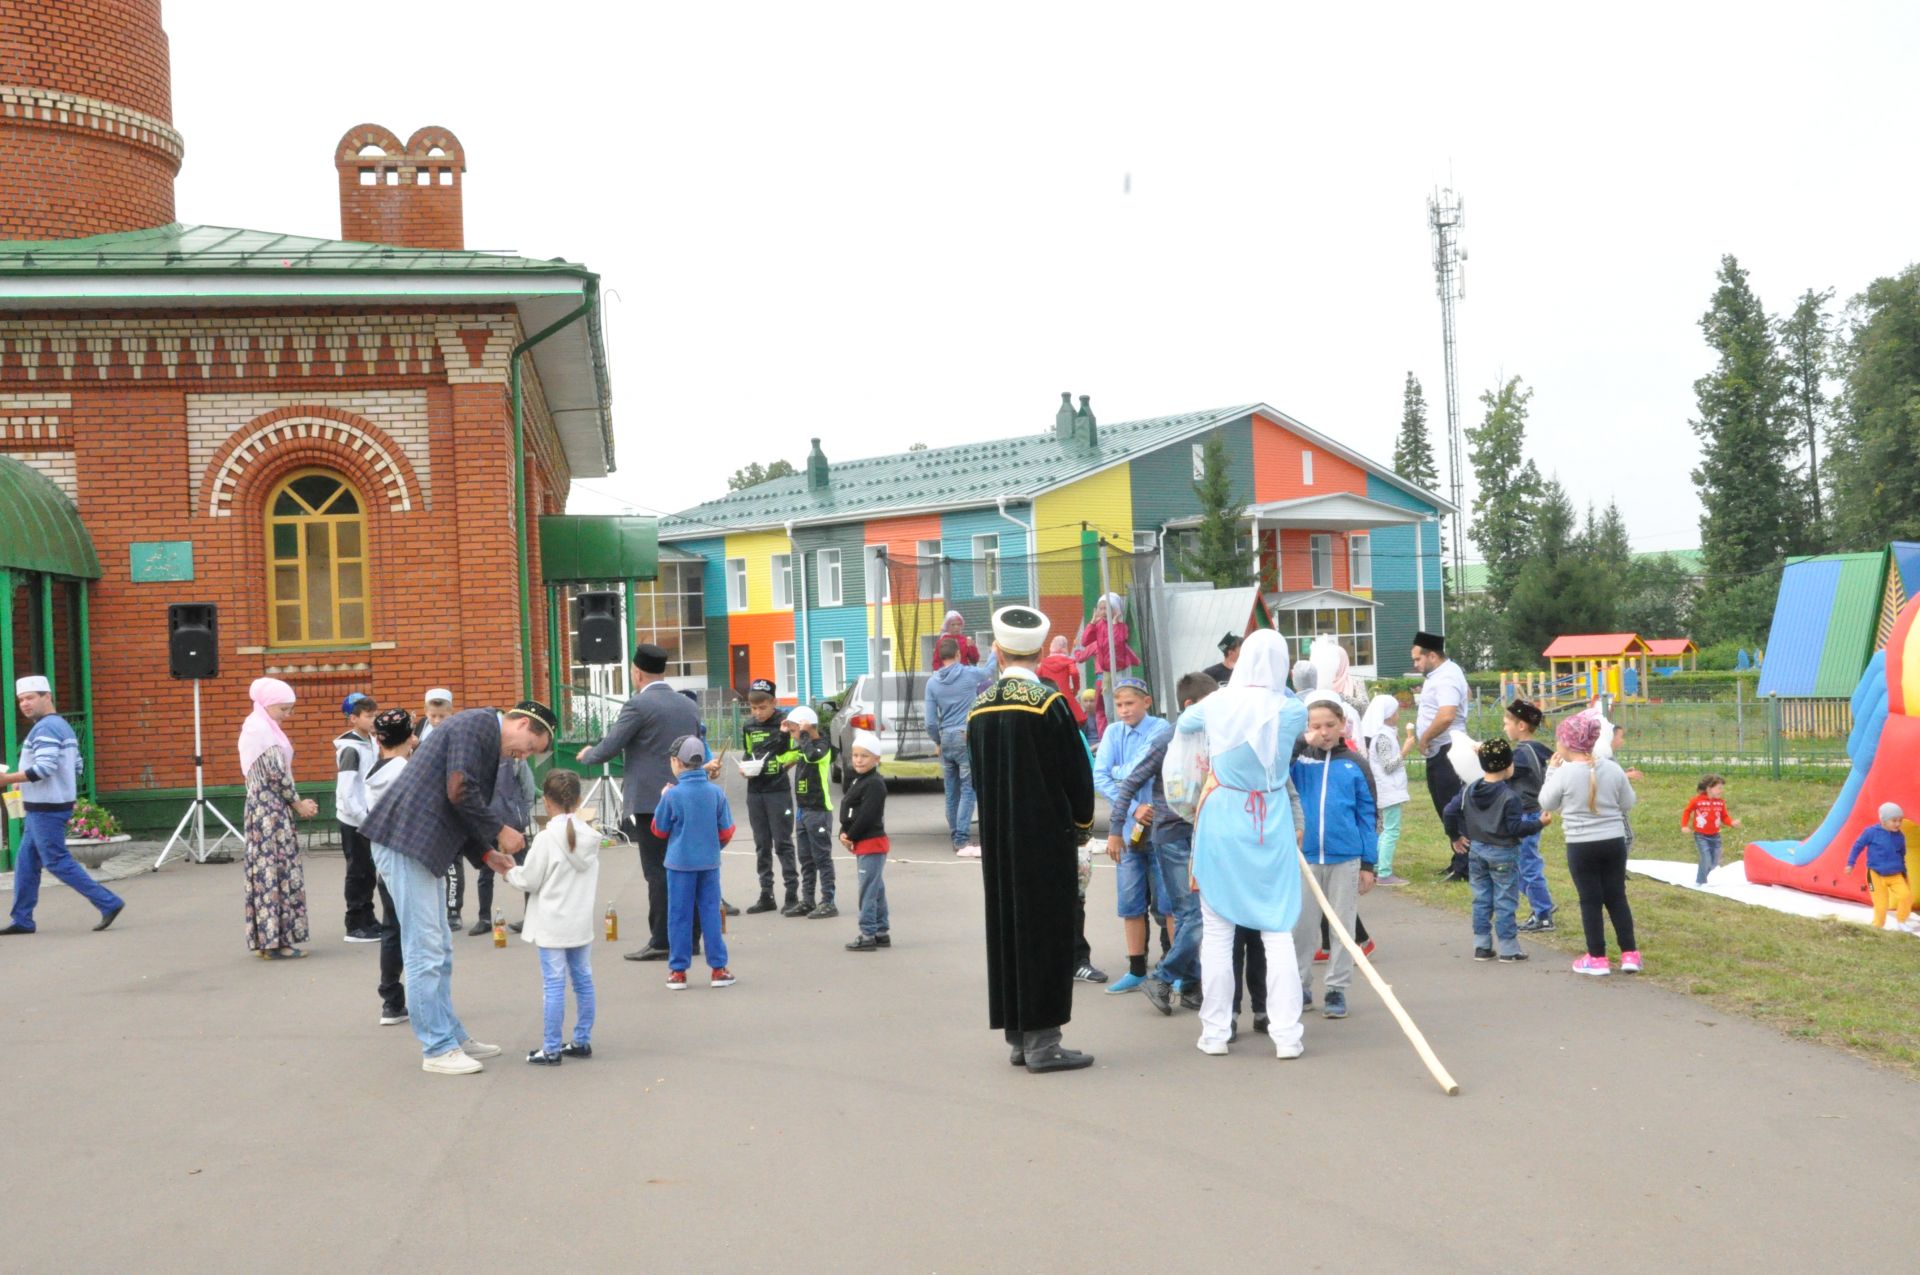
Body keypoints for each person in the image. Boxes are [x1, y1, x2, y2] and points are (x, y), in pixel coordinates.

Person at [359, 701, 556, 1074]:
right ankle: (436, 1048)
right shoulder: (479, 726)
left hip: (419, 845)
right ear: (517, 721)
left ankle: (450, 1034)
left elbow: (458, 804)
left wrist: (486, 855)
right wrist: (498, 831)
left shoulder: (482, 736)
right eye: (530, 745)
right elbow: (460, 791)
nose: (524, 756)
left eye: (532, 754)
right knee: (424, 949)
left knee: (440, 948)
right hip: (404, 842)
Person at [969, 604, 1099, 1072]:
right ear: (1042, 651)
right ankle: (1045, 1041)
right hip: (1044, 840)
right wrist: (1081, 829)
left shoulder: (979, 708)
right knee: (1045, 933)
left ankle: (1019, 1037)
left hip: (999, 843)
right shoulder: (1050, 703)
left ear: (997, 652)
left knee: (1007, 930)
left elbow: (978, 781)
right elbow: (1077, 776)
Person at [1177, 629, 1310, 1058]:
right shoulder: (1291, 709)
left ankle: (1215, 1033)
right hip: (1269, 819)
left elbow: (1183, 723)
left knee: (1217, 932)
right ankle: (1287, 1035)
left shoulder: (1217, 703)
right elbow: (1286, 703)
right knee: (1277, 929)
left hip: (1221, 815)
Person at [576, 643, 703, 961]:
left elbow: (611, 746)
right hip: (686, 795)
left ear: (637, 672)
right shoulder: (687, 706)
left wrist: (588, 754)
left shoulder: (638, 706)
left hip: (650, 802)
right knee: (686, 866)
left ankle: (661, 940)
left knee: (657, 871)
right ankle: (692, 937)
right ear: (663, 671)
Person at [1119, 671, 1219, 1016]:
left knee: (1192, 913)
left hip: (1202, 833)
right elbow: (1130, 782)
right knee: (1194, 916)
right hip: (1172, 835)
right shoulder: (1168, 739)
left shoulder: (1213, 735)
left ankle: (1191, 987)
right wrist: (1119, 827)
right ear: (1190, 706)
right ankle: (1161, 977)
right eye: (1210, 704)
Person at [0, 675, 125, 936]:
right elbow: (76, 766)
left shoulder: (45, 728)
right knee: (26, 862)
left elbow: (44, 768)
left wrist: (8, 778)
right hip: (47, 805)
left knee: (56, 861)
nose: (24, 704)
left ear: (47, 697)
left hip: (46, 808)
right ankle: (22, 919)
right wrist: (24, 781)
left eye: (30, 697)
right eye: (21, 699)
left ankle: (108, 902)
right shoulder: (62, 726)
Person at [1290, 698, 1378, 1021]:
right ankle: (1299, 985)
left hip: (1345, 857)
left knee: (1342, 926)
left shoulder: (1355, 764)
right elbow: (1276, 771)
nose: (1324, 733)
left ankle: (1336, 989)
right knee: (1301, 926)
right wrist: (1301, 742)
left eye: (1330, 725)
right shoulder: (1299, 762)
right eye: (1315, 726)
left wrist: (1369, 863)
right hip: (1305, 858)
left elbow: (1368, 815)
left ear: (1342, 724)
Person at [1539, 712, 1640, 976]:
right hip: (1613, 841)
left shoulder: (1564, 773)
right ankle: (1630, 954)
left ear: (1566, 743)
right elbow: (1628, 802)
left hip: (1581, 844)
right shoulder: (1612, 768)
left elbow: (1546, 802)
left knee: (1590, 900)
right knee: (1617, 896)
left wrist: (1551, 770)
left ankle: (1597, 957)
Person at [510, 769, 599, 1062]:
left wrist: (509, 871)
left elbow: (530, 880)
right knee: (583, 980)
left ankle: (550, 1048)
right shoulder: (591, 836)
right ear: (577, 800)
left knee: (554, 984)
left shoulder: (547, 838)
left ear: (547, 802)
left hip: (552, 922)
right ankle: (581, 1040)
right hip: (580, 920)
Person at [1093, 675, 1171, 994]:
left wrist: (1118, 771)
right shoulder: (1113, 732)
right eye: (1119, 705)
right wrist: (1133, 806)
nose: (1124, 711)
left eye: (1130, 704)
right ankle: (1136, 968)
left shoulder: (1161, 730)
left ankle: (1175, 967)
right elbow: (1099, 776)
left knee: (1169, 903)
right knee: (1130, 902)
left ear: (1147, 702)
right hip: (1127, 830)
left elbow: (1141, 767)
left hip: (1161, 829)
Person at [1443, 737, 1551, 962]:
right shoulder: (1510, 797)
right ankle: (1509, 947)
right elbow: (1515, 828)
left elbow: (1449, 811)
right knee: (1504, 899)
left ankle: (1481, 945)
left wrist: (1455, 836)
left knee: (1481, 898)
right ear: (1509, 765)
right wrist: (1539, 823)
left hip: (1477, 850)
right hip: (1503, 852)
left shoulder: (1470, 789)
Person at [238, 677, 318, 959]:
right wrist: (298, 804)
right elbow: (277, 774)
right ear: (269, 705)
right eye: (284, 709)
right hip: (271, 812)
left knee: (265, 873)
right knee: (277, 872)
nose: (288, 715)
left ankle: (266, 939)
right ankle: (278, 941)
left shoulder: (256, 726)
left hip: (262, 809)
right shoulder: (262, 731)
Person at [653, 735, 736, 989]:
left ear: (677, 762)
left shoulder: (672, 795)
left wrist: (662, 798)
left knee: (679, 915)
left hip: (679, 864)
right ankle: (718, 969)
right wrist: (713, 848)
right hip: (709, 863)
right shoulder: (715, 793)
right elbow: (727, 831)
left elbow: (659, 829)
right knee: (710, 913)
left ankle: (678, 971)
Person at [364, 707, 417, 1026]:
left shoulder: (377, 770)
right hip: (405, 860)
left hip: (383, 858)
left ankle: (391, 999)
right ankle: (414, 999)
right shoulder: (403, 771)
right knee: (415, 930)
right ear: (410, 737)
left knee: (392, 929)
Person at [733, 678, 799, 913]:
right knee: (762, 844)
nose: (758, 712)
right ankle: (766, 894)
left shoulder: (785, 723)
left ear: (773, 702)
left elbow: (795, 753)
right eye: (753, 708)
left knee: (782, 842)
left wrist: (779, 766)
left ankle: (792, 893)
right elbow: (749, 752)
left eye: (762, 707)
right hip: (755, 791)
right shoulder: (749, 726)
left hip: (778, 790)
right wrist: (745, 767)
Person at [1410, 631, 1471, 882]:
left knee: (1453, 808)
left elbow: (1446, 715)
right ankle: (1458, 860)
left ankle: (1466, 865)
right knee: (1445, 806)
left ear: (1432, 655)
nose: (1415, 665)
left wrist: (1424, 738)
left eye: (1417, 659)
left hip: (1448, 750)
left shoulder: (1445, 677)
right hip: (1442, 750)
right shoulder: (1443, 673)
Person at [466, 725, 534, 937]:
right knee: (486, 872)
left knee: (525, 869)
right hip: (489, 824)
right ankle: (484, 918)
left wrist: (520, 813)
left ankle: (531, 916)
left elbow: (529, 789)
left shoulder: (516, 761)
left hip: (513, 825)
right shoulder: (482, 762)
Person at [925, 636, 988, 857]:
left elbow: (930, 722)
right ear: (959, 654)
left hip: (946, 737)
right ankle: (961, 839)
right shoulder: (969, 674)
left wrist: (938, 741)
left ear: (940, 658)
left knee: (951, 792)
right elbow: (989, 671)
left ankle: (955, 834)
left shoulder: (932, 683)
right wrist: (995, 650)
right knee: (969, 789)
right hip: (965, 735)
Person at [772, 706, 837, 916]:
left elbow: (812, 756)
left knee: (822, 857)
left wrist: (805, 734)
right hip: (802, 811)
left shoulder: (822, 746)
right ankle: (808, 900)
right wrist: (783, 735)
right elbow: (780, 756)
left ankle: (828, 901)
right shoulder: (801, 746)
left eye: (794, 731)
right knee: (806, 858)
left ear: (805, 729)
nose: (793, 736)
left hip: (819, 811)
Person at [334, 692, 384, 943]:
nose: (373, 720)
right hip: (354, 821)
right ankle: (354, 923)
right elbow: (347, 790)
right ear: (353, 719)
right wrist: (361, 817)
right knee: (358, 871)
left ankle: (369, 918)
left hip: (368, 818)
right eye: (368, 716)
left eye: (375, 715)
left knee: (369, 871)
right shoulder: (350, 749)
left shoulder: (371, 742)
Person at [1505, 699, 1557, 927]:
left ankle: (1543, 914)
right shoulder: (1537, 749)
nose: (1504, 727)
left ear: (1521, 726)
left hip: (1526, 814)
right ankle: (1542, 903)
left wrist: (1483, 755)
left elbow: (1503, 773)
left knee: (1527, 865)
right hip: (1533, 812)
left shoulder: (1522, 755)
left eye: (1507, 723)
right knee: (1517, 865)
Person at [839, 730, 892, 951]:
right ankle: (881, 930)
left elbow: (867, 815)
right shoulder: (859, 780)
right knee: (876, 887)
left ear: (877, 759)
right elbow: (851, 810)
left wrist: (850, 836)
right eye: (855, 755)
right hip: (864, 842)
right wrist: (844, 829)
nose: (858, 760)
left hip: (871, 842)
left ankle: (867, 933)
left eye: (865, 756)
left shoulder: (874, 784)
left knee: (868, 889)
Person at [1073, 592, 1142, 736]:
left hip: (1120, 670)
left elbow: (1117, 642)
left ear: (1115, 609)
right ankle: (1114, 733)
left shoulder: (1121, 626)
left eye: (1107, 608)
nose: (1103, 612)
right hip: (1106, 672)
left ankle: (1127, 731)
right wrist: (1092, 622)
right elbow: (1085, 641)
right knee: (1109, 709)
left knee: (1122, 701)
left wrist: (1116, 624)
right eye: (1101, 608)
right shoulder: (1099, 625)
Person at [1360, 694, 1410, 885]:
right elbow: (1388, 766)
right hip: (1389, 789)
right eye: (1395, 711)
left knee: (1387, 830)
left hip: (1389, 789)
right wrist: (1405, 750)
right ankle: (1384, 872)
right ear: (1388, 714)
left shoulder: (1385, 734)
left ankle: (1377, 866)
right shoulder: (1382, 737)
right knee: (1391, 830)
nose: (1398, 714)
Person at [1847, 803, 1914, 931]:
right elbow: (1857, 846)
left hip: (1895, 874)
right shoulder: (1871, 832)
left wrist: (1903, 873)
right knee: (1881, 904)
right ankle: (1877, 926)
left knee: (1906, 896)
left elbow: (1902, 854)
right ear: (1883, 820)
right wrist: (1851, 863)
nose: (1898, 824)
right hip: (1874, 875)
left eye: (1900, 820)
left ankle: (1901, 921)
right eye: (1894, 821)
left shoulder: (1900, 837)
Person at [1681, 774, 1742, 887]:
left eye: (1722, 788)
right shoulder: (1697, 801)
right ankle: (1700, 882)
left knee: (1714, 862)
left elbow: (1724, 817)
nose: (1721, 791)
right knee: (1706, 858)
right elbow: (1687, 811)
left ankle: (1704, 876)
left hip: (1716, 836)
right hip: (1701, 836)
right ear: (1709, 788)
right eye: (1719, 788)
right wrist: (1684, 825)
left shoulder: (1720, 802)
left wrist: (1732, 823)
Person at [1037, 635, 1088, 740]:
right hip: (1066, 696)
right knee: (1077, 721)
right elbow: (1074, 672)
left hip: (1048, 697)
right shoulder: (1068, 661)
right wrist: (1075, 689)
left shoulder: (1043, 663)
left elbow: (1037, 676)